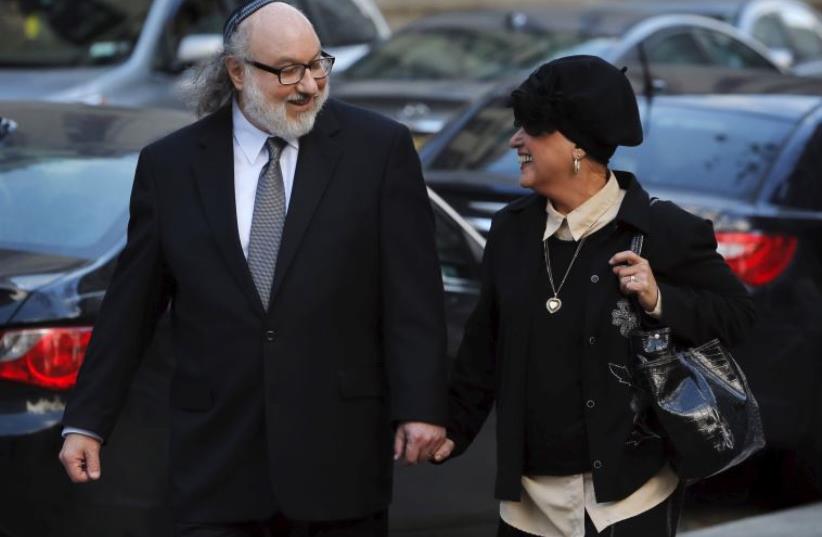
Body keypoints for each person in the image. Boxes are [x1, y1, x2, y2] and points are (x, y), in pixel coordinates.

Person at [58, 2, 448, 536]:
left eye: (317, 65)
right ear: (237, 72)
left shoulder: (378, 149)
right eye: (287, 70)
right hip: (215, 460)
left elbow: (414, 294)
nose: (309, 85)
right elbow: (131, 307)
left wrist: (421, 405)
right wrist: (87, 421)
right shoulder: (170, 166)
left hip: (338, 456)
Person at [432, 55, 757, 536]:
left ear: (576, 145)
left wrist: (658, 298)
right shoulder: (511, 231)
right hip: (529, 505)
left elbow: (740, 315)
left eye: (530, 129)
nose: (515, 141)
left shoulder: (663, 230)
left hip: (628, 501)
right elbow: (484, 346)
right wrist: (452, 431)